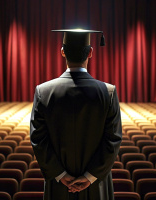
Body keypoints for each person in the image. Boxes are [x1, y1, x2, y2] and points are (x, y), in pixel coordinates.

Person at [30, 29, 122, 200]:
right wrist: (90, 176)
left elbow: (38, 139)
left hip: (59, 186)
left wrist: (59, 174)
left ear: (62, 52)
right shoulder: (108, 92)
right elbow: (113, 139)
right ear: (91, 53)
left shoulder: (43, 91)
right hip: (96, 186)